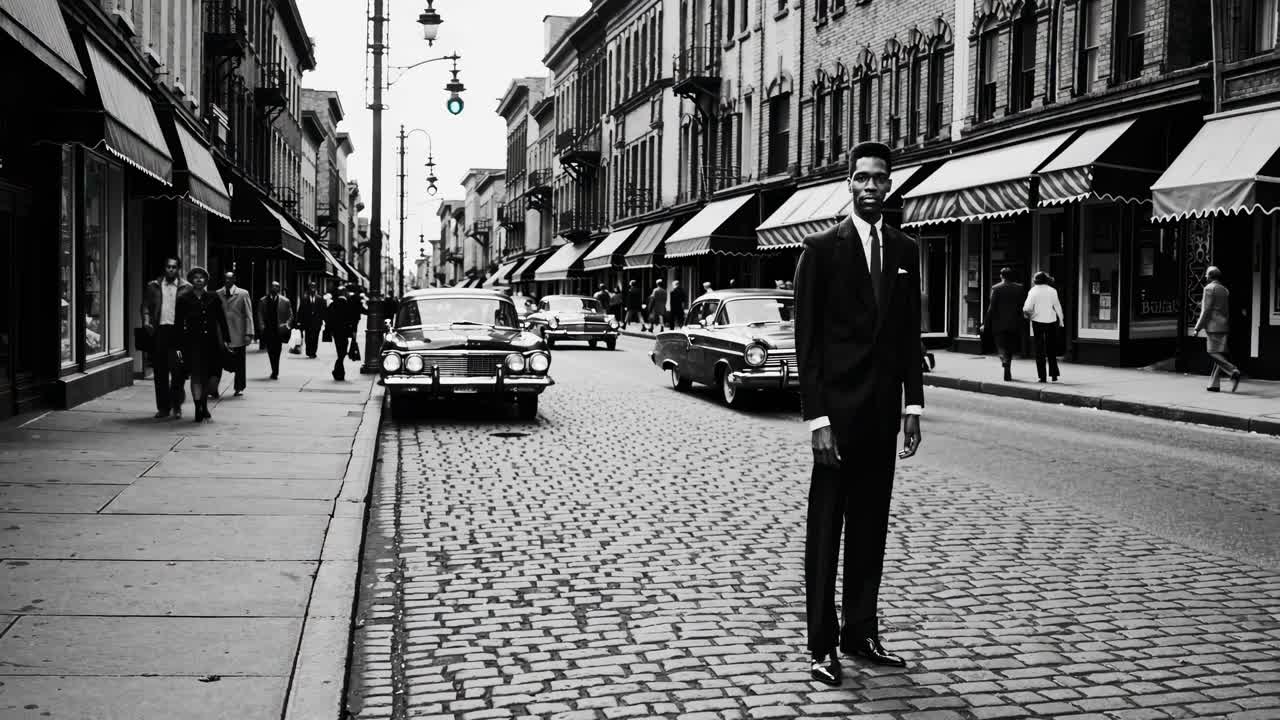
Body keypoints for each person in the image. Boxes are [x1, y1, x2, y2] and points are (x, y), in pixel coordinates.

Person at [793, 141, 924, 685]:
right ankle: (822, 644)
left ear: (889, 185)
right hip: (837, 420)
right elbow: (807, 343)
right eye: (862, 178)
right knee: (827, 531)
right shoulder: (821, 249)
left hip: (881, 415)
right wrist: (817, 420)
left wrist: (912, 403)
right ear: (848, 183)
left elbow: (906, 332)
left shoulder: (905, 250)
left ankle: (861, 631)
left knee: (870, 528)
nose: (871, 186)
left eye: (880, 179)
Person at [174, 267, 230, 423]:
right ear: (191, 280)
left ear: (206, 280)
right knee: (196, 376)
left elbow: (221, 319)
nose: (199, 280)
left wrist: (226, 339)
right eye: (195, 277)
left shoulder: (213, 297)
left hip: (211, 343)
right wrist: (178, 345)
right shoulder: (184, 299)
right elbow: (178, 323)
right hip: (192, 343)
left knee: (210, 377)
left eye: (202, 277)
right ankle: (199, 407)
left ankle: (204, 404)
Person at [140, 258, 191, 418]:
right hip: (160, 332)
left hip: (178, 334)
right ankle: (163, 407)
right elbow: (146, 306)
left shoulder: (186, 288)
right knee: (160, 372)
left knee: (178, 372)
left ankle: (177, 405)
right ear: (164, 268)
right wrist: (147, 322)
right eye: (168, 267)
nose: (170, 269)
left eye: (174, 267)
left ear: (178, 269)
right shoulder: (153, 286)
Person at [1194, 266, 1241, 393]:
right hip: (1224, 325)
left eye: (1206, 274)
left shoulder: (1209, 288)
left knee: (1212, 352)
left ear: (1210, 276)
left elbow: (1206, 310)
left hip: (1213, 326)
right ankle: (1214, 384)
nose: (1205, 276)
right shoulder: (1225, 290)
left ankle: (1233, 371)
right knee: (1219, 354)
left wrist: (1197, 327)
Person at [213, 271, 254, 397]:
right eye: (225, 278)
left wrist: (249, 333)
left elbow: (248, 315)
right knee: (217, 362)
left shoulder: (243, 294)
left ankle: (239, 387)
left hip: (238, 333)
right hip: (221, 333)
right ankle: (213, 388)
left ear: (234, 279)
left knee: (240, 362)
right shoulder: (217, 294)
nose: (227, 281)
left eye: (230, 278)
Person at [983, 267, 1027, 382]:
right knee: (1010, 347)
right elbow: (1022, 306)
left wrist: (986, 324)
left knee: (1001, 346)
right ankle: (1008, 366)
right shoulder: (1019, 288)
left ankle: (1004, 361)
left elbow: (991, 309)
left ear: (1001, 276)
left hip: (999, 323)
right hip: (1014, 323)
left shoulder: (996, 288)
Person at [1022, 271, 1064, 383]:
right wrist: (1061, 320)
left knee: (1039, 349)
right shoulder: (1052, 291)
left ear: (1035, 280)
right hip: (1051, 321)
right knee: (1051, 348)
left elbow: (1027, 308)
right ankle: (1054, 374)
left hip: (1037, 322)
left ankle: (1042, 376)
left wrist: (1028, 315)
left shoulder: (1033, 291)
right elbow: (1057, 306)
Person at [257, 281, 293, 380]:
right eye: (272, 286)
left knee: (277, 351)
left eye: (276, 287)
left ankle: (275, 371)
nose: (274, 288)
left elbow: (290, 315)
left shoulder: (285, 301)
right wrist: (261, 326)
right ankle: (274, 369)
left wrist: (287, 325)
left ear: (279, 289)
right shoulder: (263, 300)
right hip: (268, 330)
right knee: (270, 351)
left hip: (279, 330)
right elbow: (259, 313)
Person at [327, 284, 361, 381]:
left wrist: (330, 330)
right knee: (342, 353)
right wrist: (353, 333)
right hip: (345, 333)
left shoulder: (333, 305)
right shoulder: (349, 305)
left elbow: (328, 318)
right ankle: (338, 372)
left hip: (336, 333)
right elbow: (353, 320)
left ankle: (338, 372)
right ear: (345, 294)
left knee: (340, 352)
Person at [296, 281, 326, 358]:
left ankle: (313, 352)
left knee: (315, 338)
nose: (312, 289)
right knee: (308, 337)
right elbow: (300, 311)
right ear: (309, 289)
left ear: (316, 289)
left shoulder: (320, 299)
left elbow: (323, 311)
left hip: (317, 322)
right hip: (307, 322)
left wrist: (324, 321)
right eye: (311, 287)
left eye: (314, 287)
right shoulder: (304, 299)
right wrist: (299, 322)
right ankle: (308, 351)